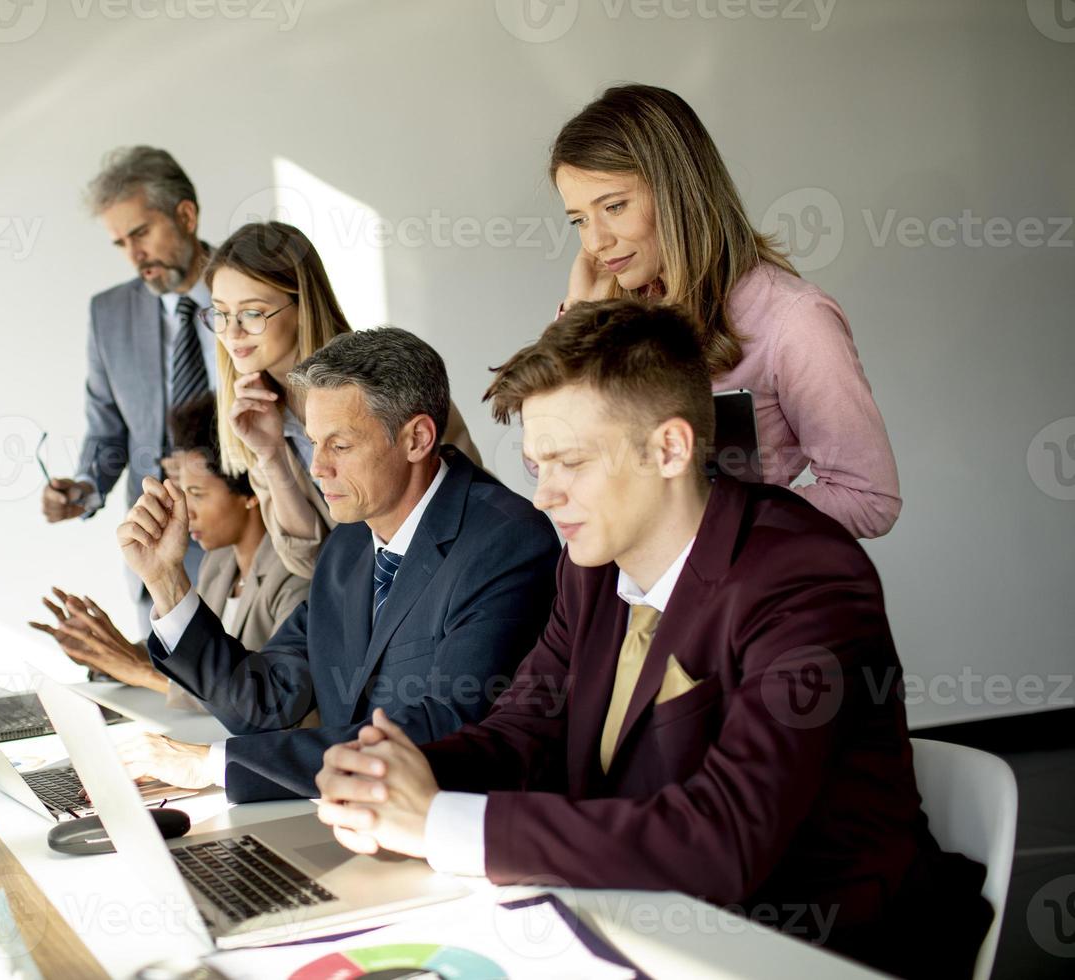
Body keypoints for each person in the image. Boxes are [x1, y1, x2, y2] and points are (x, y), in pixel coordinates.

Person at [313, 301, 990, 980]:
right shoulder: (590, 573)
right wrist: (392, 777)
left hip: (814, 948)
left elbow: (725, 838)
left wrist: (436, 822)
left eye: (569, 462)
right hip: (639, 922)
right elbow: (519, 734)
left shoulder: (807, 579)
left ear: (670, 448)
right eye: (535, 466)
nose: (544, 496)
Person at [112, 328, 559, 802]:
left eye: (340, 446)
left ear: (417, 439)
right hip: (349, 815)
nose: (317, 468)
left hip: (458, 832)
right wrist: (166, 581)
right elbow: (266, 697)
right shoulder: (348, 545)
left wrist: (214, 763)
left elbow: (442, 727)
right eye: (313, 444)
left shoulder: (506, 541)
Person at [550, 84, 899, 538]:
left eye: (614, 206)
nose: (595, 241)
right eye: (579, 220)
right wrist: (581, 320)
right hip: (623, 591)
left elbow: (869, 498)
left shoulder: (794, 320)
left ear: (677, 190)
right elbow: (547, 462)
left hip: (731, 593)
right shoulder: (606, 305)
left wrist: (718, 521)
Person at [204, 221, 482, 578]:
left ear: (302, 304)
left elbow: (468, 499)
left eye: (252, 313)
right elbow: (308, 563)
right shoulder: (256, 414)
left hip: (441, 577)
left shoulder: (387, 375)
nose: (233, 331)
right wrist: (270, 454)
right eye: (220, 314)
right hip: (349, 599)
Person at [29, 393, 309, 713]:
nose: (187, 510)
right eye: (183, 491)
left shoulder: (295, 577)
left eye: (198, 494)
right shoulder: (219, 563)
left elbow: (259, 697)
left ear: (251, 493)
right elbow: (203, 657)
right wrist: (107, 652)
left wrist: (137, 671)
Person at [40, 146, 214, 624]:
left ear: (186, 215)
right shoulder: (108, 314)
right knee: (166, 694)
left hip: (256, 556)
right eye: (120, 243)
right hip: (157, 558)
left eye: (141, 233)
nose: (135, 256)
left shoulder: (256, 290)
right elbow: (108, 430)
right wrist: (84, 487)